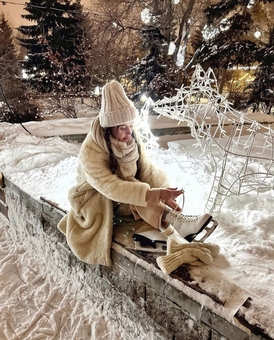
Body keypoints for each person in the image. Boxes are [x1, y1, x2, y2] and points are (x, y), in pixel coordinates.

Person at [57, 80, 213, 266]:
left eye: (131, 125)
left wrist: (163, 193)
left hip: (120, 195)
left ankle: (172, 220)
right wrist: (152, 195)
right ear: (109, 128)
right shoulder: (91, 150)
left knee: (138, 188)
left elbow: (146, 168)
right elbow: (110, 186)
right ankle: (176, 223)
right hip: (94, 198)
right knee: (136, 191)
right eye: (123, 127)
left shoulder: (131, 136)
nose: (129, 132)